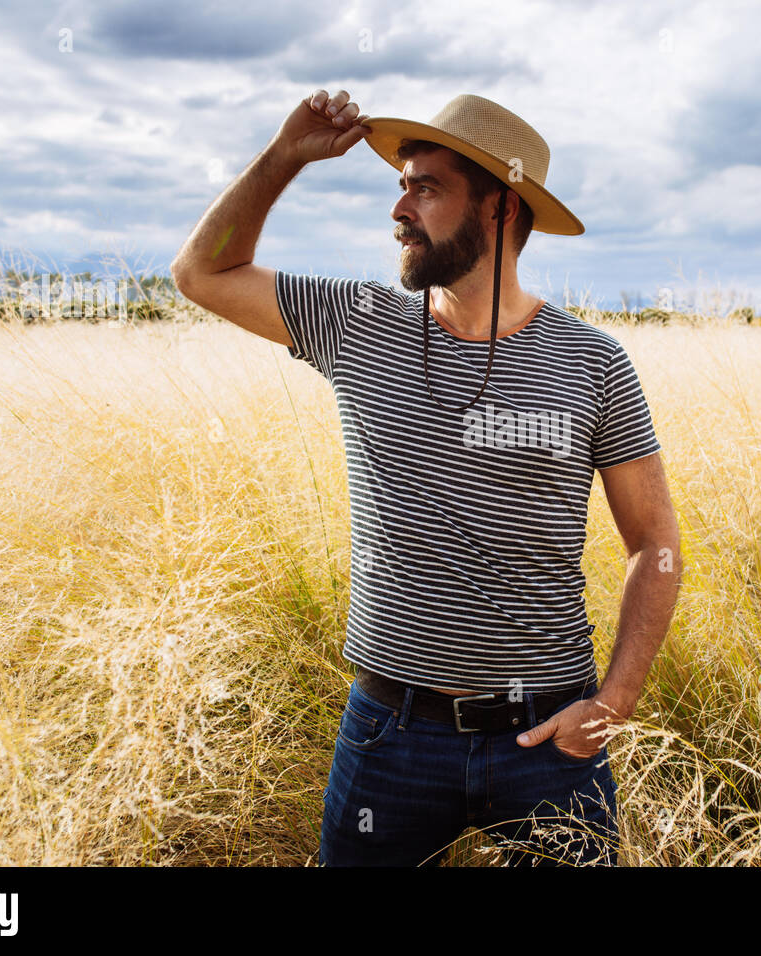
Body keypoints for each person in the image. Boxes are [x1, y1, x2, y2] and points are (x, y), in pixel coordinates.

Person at [172, 89, 683, 866]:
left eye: (427, 187)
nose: (399, 208)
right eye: (402, 183)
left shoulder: (593, 364)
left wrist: (613, 704)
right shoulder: (356, 322)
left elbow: (655, 545)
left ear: (501, 209)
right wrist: (284, 156)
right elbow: (201, 272)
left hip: (548, 744)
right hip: (391, 736)